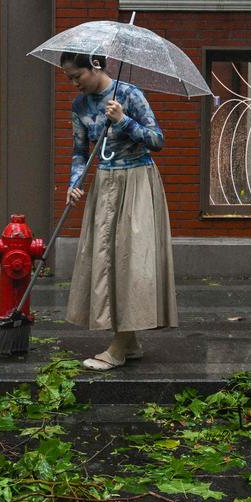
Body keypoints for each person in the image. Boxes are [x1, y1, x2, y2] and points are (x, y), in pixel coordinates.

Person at [60, 52, 178, 371]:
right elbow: (79, 151)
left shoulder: (129, 94)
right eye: (69, 78)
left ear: (94, 66)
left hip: (138, 181)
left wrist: (123, 120)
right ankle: (130, 342)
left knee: (128, 261)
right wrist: (75, 182)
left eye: (76, 76)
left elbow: (157, 140)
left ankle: (119, 345)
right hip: (105, 184)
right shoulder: (80, 106)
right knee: (107, 259)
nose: (73, 84)